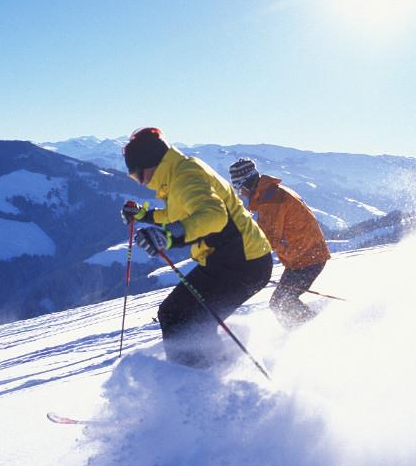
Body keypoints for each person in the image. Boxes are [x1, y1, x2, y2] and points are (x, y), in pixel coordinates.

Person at [121, 128, 272, 368]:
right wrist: (144, 215)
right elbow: (178, 213)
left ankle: (198, 383)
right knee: (178, 314)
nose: (141, 181)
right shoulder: (176, 175)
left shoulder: (186, 177)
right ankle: (212, 375)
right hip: (229, 260)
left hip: (243, 263)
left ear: (151, 163)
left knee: (182, 318)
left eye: (138, 174)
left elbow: (214, 216)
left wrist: (168, 237)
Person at [229, 158, 330, 329]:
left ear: (246, 184)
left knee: (281, 302)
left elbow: (264, 240)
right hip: (302, 257)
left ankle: (314, 332)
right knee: (281, 302)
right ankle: (306, 330)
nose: (241, 194)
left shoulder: (272, 200)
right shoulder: (270, 193)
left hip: (308, 259)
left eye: (239, 189)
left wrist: (238, 260)